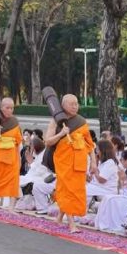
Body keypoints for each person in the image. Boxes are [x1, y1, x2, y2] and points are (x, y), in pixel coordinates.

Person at [45, 94, 92, 234]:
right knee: (67, 190)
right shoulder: (55, 121)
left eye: (76, 103)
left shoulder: (82, 122)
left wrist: (94, 163)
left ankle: (59, 217)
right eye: (71, 104)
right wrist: (61, 134)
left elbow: (90, 145)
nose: (75, 106)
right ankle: (71, 224)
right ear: (63, 105)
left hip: (78, 163)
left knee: (74, 191)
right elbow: (48, 141)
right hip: (63, 162)